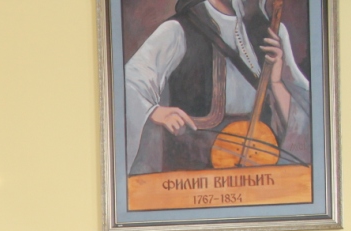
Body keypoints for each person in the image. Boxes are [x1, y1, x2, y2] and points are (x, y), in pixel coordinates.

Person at [125, 0, 310, 174]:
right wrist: (155, 112)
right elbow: (128, 84)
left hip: (260, 170)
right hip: (195, 173)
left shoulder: (271, 32)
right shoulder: (178, 29)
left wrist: (277, 83)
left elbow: (305, 122)